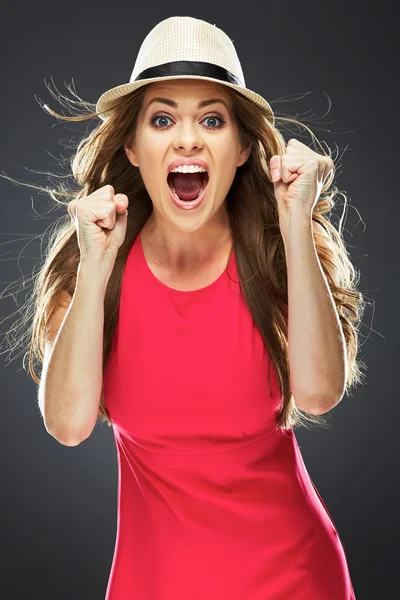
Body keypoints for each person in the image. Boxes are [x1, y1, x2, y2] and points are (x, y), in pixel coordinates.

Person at [16, 15, 366, 599]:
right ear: (133, 145)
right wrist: (97, 268)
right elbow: (68, 425)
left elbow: (319, 391)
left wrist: (297, 222)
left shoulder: (278, 250)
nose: (187, 140)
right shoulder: (98, 260)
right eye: (161, 119)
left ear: (242, 147)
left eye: (211, 118)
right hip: (151, 584)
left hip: (294, 580)